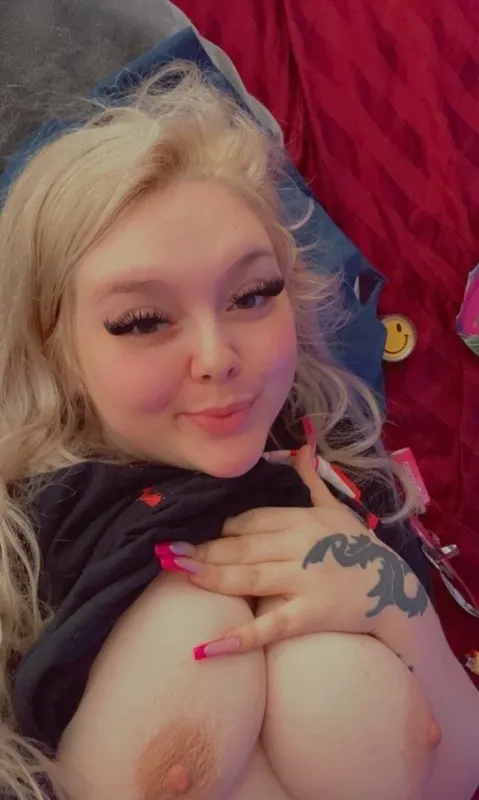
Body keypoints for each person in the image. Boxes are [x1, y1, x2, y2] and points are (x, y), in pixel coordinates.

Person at [0, 63, 478, 800]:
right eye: (144, 320)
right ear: (53, 344)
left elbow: (461, 768)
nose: (217, 357)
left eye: (252, 296)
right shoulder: (21, 548)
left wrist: (397, 601)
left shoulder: (340, 475)